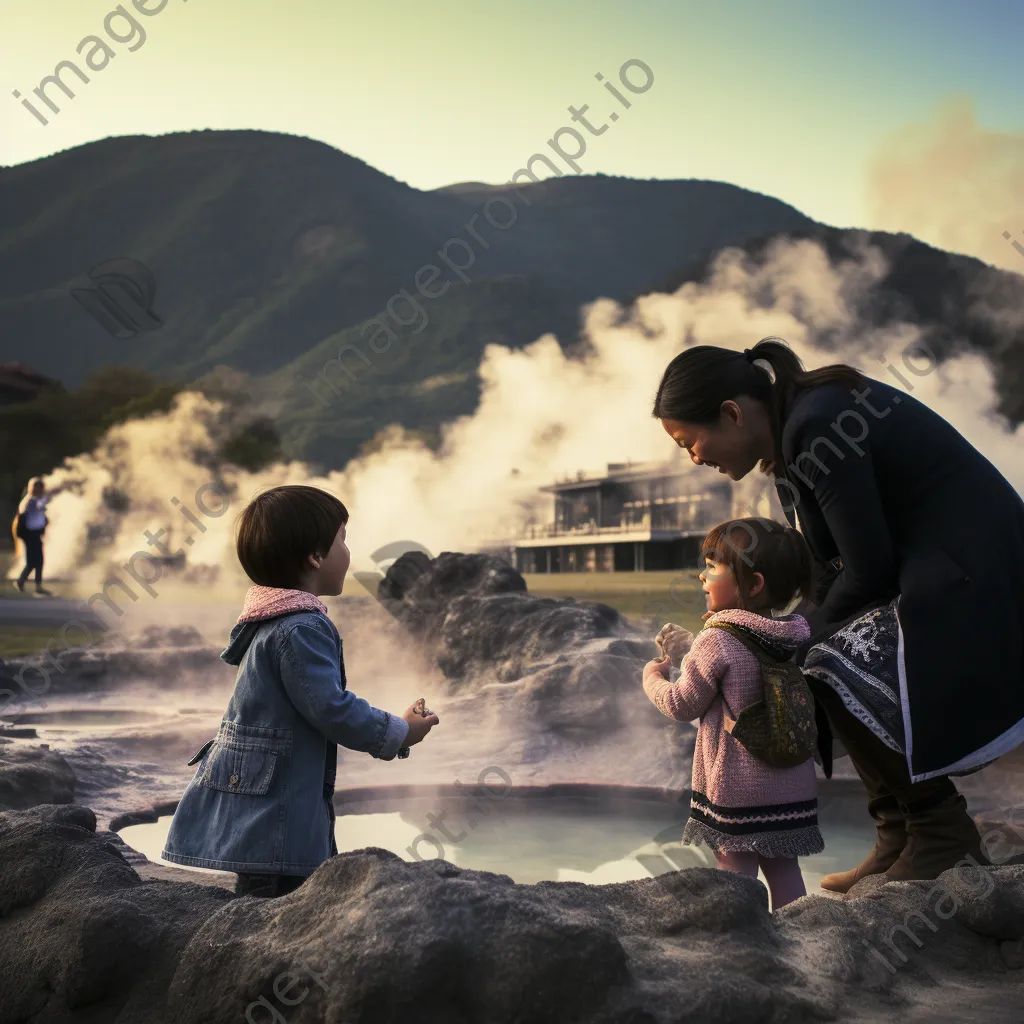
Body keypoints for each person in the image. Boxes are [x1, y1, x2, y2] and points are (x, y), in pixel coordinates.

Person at [650, 336, 1024, 890]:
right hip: (940, 570)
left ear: (731, 413)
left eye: (690, 442)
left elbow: (867, 569)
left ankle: (940, 831)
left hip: (977, 576)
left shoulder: (815, 425)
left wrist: (793, 639)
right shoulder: (793, 437)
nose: (695, 458)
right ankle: (898, 832)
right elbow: (829, 571)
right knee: (802, 653)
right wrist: (780, 636)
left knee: (819, 658)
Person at [161, 484, 438, 897]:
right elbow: (330, 708)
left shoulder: (270, 616)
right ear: (315, 556)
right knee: (278, 911)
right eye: (343, 541)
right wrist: (400, 730)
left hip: (263, 810)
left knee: (260, 903)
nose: (349, 554)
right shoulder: (303, 626)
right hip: (276, 820)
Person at [642, 518, 820, 910]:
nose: (702, 577)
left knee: (734, 873)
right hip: (791, 786)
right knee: (786, 873)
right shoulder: (789, 637)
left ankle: (744, 951)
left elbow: (682, 704)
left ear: (753, 584)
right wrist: (694, 643)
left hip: (739, 789)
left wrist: (653, 678)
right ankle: (801, 937)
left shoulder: (718, 639)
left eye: (712, 568)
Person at [12, 476, 54, 597]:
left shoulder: (33, 500)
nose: (39, 490)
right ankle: (26, 583)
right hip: (30, 534)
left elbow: (40, 514)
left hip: (35, 534)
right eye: (37, 487)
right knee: (34, 561)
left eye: (40, 487)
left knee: (38, 561)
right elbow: (39, 507)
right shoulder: (31, 500)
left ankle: (33, 585)